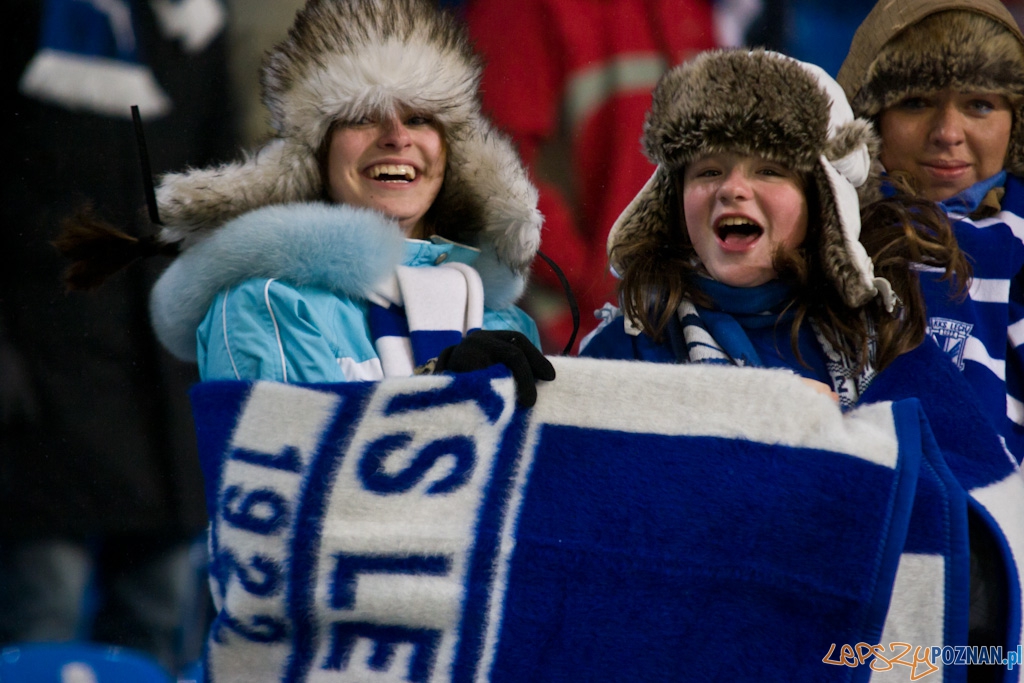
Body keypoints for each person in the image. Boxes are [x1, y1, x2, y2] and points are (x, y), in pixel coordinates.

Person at [580, 48, 1020, 677]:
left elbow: (985, 566)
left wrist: (848, 448)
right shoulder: (621, 353)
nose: (734, 188)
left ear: (823, 202)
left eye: (769, 169)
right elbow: (575, 558)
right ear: (673, 198)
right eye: (708, 169)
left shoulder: (887, 345)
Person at [58, 0, 553, 404]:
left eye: (422, 117)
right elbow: (305, 503)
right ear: (315, 156)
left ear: (453, 150)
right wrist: (448, 386)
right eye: (362, 117)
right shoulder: (265, 306)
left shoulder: (499, 316)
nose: (397, 136)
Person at [1, 0, 230, 669]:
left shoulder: (191, 19)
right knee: (43, 606)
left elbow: (221, 175)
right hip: (39, 375)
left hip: (161, 369)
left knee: (157, 612)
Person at [463, 0, 720, 353]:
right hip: (578, 335)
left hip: (681, 320)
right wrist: (593, 283)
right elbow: (492, 165)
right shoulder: (519, 11)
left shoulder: (688, 9)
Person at [837, 0, 1024, 464]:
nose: (947, 132)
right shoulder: (814, 238)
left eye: (979, 104)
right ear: (866, 118)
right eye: (916, 102)